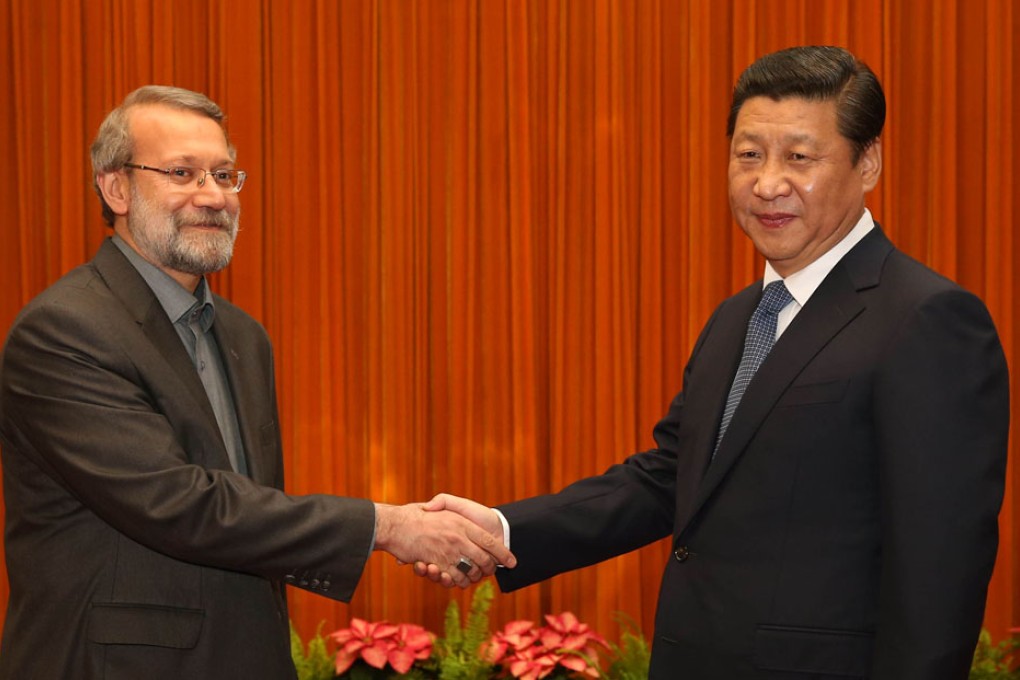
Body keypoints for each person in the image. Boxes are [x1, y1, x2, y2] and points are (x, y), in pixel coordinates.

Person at [421, 46, 1009, 679]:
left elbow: (940, 566)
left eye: (799, 157)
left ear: (868, 162)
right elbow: (671, 478)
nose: (767, 183)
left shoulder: (926, 319)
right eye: (748, 155)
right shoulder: (739, 317)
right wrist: (505, 531)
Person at [0, 85, 514, 679]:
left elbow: (250, 514)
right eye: (182, 173)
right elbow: (179, 504)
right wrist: (389, 526)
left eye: (224, 174)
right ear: (116, 188)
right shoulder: (65, 330)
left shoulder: (244, 336)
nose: (213, 196)